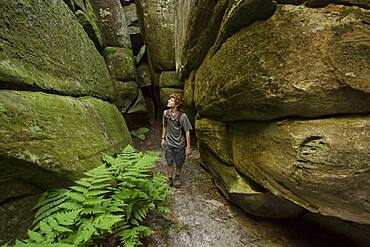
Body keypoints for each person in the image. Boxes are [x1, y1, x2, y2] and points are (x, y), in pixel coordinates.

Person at [161, 93, 192, 186]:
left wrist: (188, 147)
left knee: (179, 162)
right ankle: (170, 178)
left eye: (171, 100)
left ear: (177, 104)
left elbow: (187, 131)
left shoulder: (183, 116)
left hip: (179, 144)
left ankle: (177, 177)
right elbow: (165, 126)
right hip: (169, 143)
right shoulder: (166, 114)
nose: (168, 101)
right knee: (169, 161)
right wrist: (163, 138)